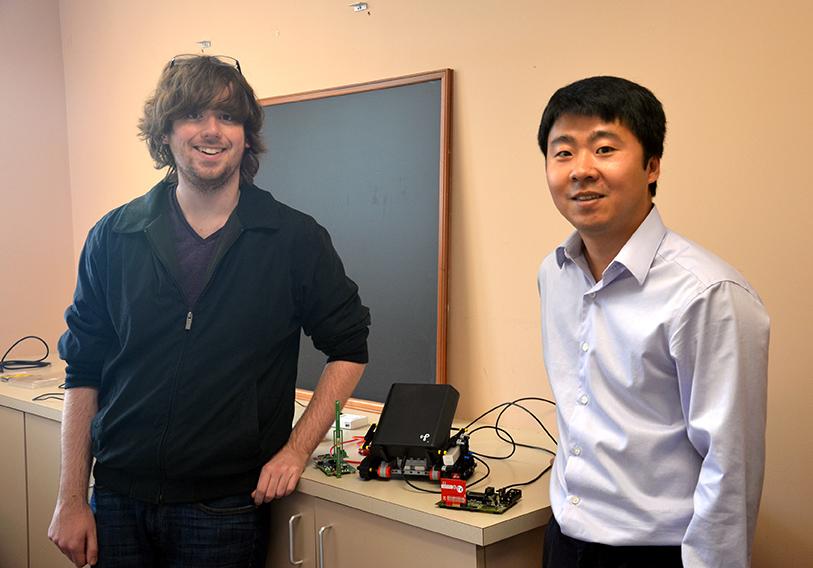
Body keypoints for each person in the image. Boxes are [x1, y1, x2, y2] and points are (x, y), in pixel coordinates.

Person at [48, 54, 370, 567]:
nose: (212, 130)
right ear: (166, 132)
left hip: (223, 511)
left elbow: (350, 347)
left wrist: (297, 449)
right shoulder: (114, 236)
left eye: (228, 116)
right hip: (116, 501)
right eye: (194, 114)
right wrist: (69, 498)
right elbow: (83, 370)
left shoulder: (293, 239)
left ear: (246, 134)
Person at [536, 76, 769, 567]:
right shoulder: (554, 274)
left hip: (656, 554)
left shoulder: (708, 294)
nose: (581, 171)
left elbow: (730, 469)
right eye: (563, 153)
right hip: (563, 538)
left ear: (652, 166)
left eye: (604, 148)